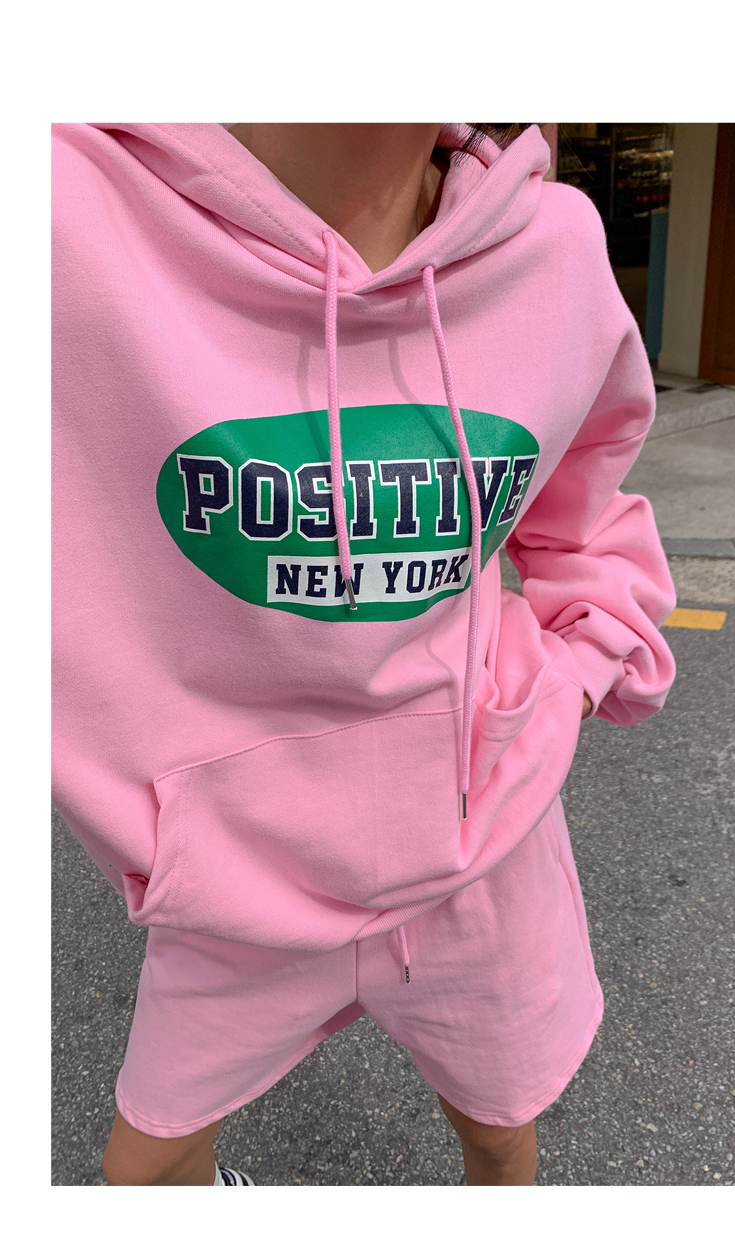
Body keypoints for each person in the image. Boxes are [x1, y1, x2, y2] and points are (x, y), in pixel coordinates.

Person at [51, 122, 677, 1186]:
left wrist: (569, 679)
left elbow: (587, 516)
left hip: (483, 837)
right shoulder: (68, 210)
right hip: (229, 870)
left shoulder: (552, 250)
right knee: (143, 1177)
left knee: (500, 1135)